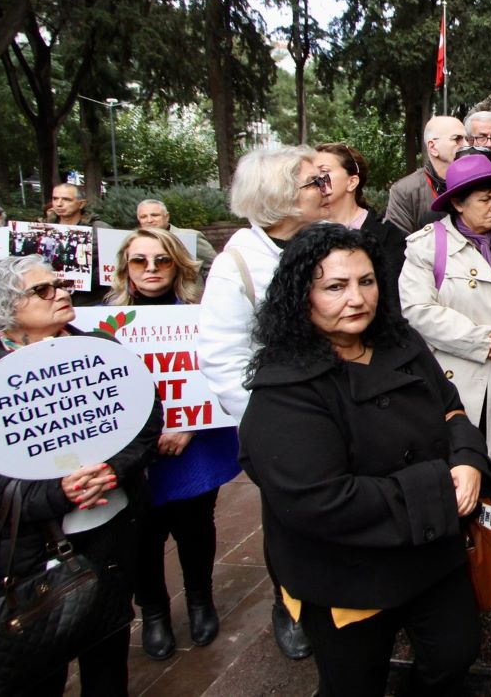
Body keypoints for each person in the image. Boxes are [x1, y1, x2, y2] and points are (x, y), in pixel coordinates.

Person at [240, 225, 490, 697]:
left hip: (431, 552)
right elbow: (319, 498)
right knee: (354, 682)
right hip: (347, 570)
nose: (357, 298)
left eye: (367, 281)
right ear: (302, 296)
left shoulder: (402, 343)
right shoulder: (286, 386)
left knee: (454, 652)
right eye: (336, 286)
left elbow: (452, 408)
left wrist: (469, 460)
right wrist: (441, 486)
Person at [0, 256, 162, 695]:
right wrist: (58, 493)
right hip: (28, 550)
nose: (62, 292)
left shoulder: (101, 350)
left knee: (107, 653)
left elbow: (146, 419)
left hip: (110, 533)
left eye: (60, 283)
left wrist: (114, 470)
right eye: (43, 290)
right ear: (7, 307)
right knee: (38, 661)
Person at [197, 144, 330, 661]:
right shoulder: (237, 265)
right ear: (280, 198)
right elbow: (223, 358)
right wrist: (267, 427)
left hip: (338, 406)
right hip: (281, 420)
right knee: (288, 516)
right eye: (313, 183)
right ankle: (289, 604)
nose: (326, 188)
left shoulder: (329, 243)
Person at [399, 153, 491, 562]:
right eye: (485, 199)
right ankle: (459, 527)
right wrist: (482, 341)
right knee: (462, 451)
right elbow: (418, 310)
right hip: (460, 372)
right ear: (458, 203)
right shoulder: (427, 246)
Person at [104, 228, 239, 661]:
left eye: (161, 260)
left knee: (195, 525)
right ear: (124, 267)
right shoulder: (100, 324)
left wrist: (188, 424)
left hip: (191, 445)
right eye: (140, 261)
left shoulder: (202, 314)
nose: (151, 270)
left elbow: (218, 370)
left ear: (178, 264)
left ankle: (201, 599)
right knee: (141, 532)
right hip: (132, 455)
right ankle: (155, 612)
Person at [313, 142, 408, 304]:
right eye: (312, 175)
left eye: (323, 172)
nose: (316, 181)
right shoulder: (307, 236)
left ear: (352, 182)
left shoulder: (390, 238)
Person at [385, 115, 468, 234]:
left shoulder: (476, 181)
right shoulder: (405, 192)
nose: (466, 145)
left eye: (466, 139)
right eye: (457, 139)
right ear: (433, 147)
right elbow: (396, 246)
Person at [135, 198, 218, 268]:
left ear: (167, 216)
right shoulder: (134, 241)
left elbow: (215, 266)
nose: (149, 220)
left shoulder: (191, 237)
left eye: (155, 215)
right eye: (143, 217)